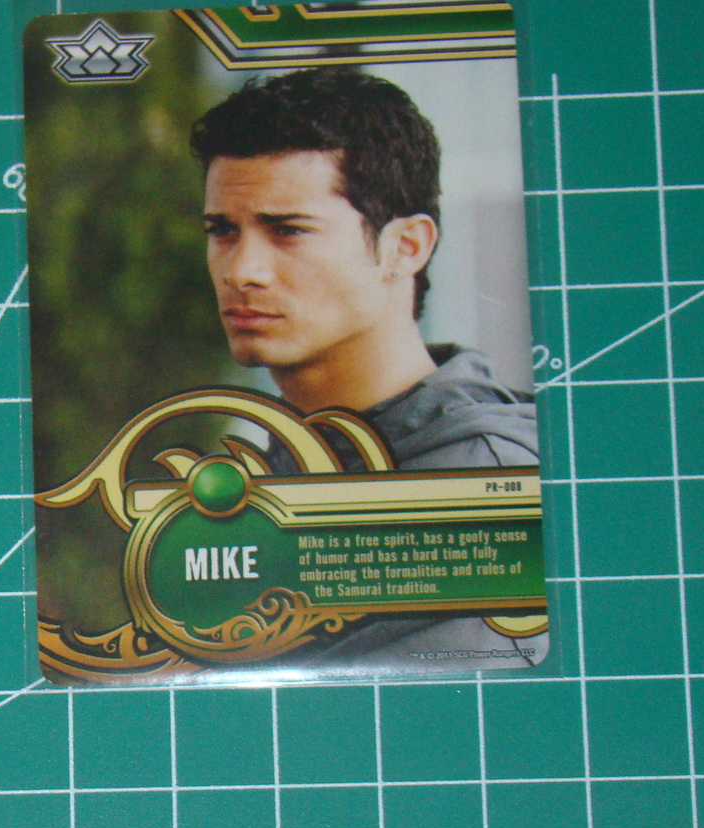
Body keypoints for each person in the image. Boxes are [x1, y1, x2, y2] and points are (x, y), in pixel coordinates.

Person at [190, 65, 544, 667]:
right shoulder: (272, 472)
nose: (241, 271)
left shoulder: (484, 485)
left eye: (288, 231)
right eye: (223, 231)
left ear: (406, 247)